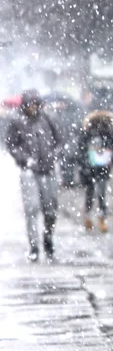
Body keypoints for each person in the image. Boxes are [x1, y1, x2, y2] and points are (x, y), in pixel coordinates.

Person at [6, 91, 62, 260]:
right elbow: (11, 145)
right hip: (29, 172)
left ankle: (48, 238)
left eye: (35, 105)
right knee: (31, 208)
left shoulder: (47, 119)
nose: (33, 108)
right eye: (30, 105)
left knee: (50, 209)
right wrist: (24, 159)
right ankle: (34, 246)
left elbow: (60, 140)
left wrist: (53, 155)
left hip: (48, 170)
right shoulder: (17, 122)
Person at [77, 109, 113, 233]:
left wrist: (112, 159)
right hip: (94, 168)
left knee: (96, 193)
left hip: (97, 167)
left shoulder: (105, 133)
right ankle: (94, 217)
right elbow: (81, 149)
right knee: (96, 193)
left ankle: (94, 217)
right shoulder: (104, 133)